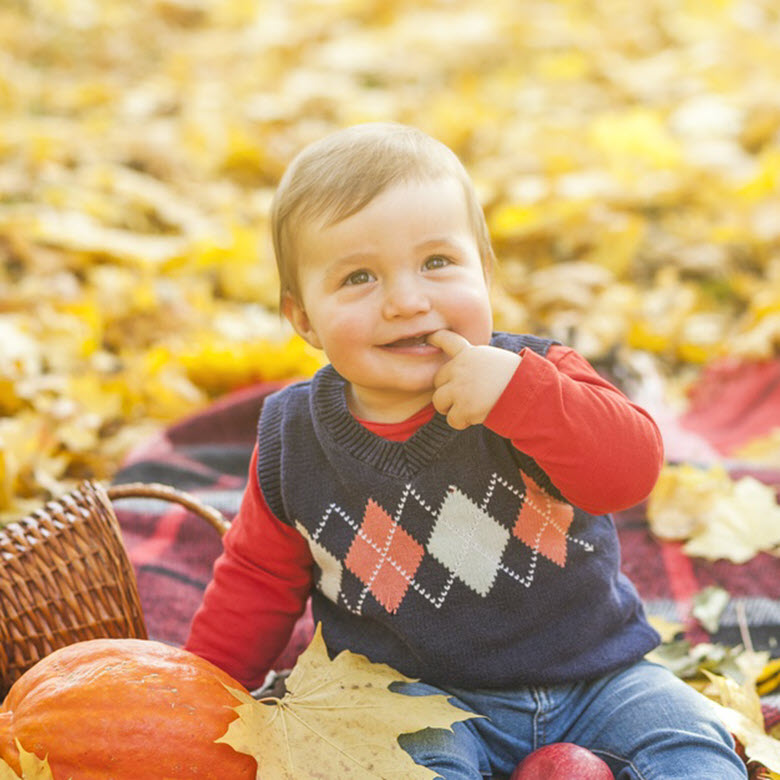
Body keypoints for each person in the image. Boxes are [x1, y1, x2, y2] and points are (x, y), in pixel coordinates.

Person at [185, 122, 746, 779]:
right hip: (409, 700)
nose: (406, 300)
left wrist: (522, 397)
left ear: (485, 274)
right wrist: (199, 701)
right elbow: (256, 581)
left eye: (437, 263)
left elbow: (629, 472)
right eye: (359, 277)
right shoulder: (294, 439)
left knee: (687, 740)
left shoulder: (538, 378)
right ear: (302, 318)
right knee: (389, 768)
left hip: (596, 676)